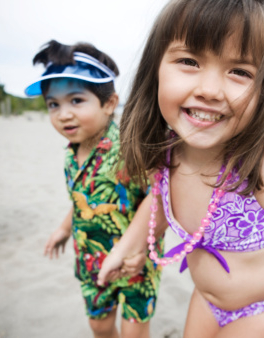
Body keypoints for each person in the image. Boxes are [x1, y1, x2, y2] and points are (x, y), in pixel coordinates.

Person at [97, 0, 264, 337]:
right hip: (205, 299)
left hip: (263, 309)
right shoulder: (168, 154)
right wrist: (124, 248)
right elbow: (158, 204)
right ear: (154, 70)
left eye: (240, 72)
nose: (209, 90)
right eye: (189, 61)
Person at [25, 40, 163, 338]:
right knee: (99, 326)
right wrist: (64, 228)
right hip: (91, 258)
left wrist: (140, 249)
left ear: (109, 103)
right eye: (53, 104)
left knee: (134, 332)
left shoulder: (129, 147)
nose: (63, 114)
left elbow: (160, 198)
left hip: (135, 262)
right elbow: (82, 199)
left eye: (76, 100)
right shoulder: (70, 153)